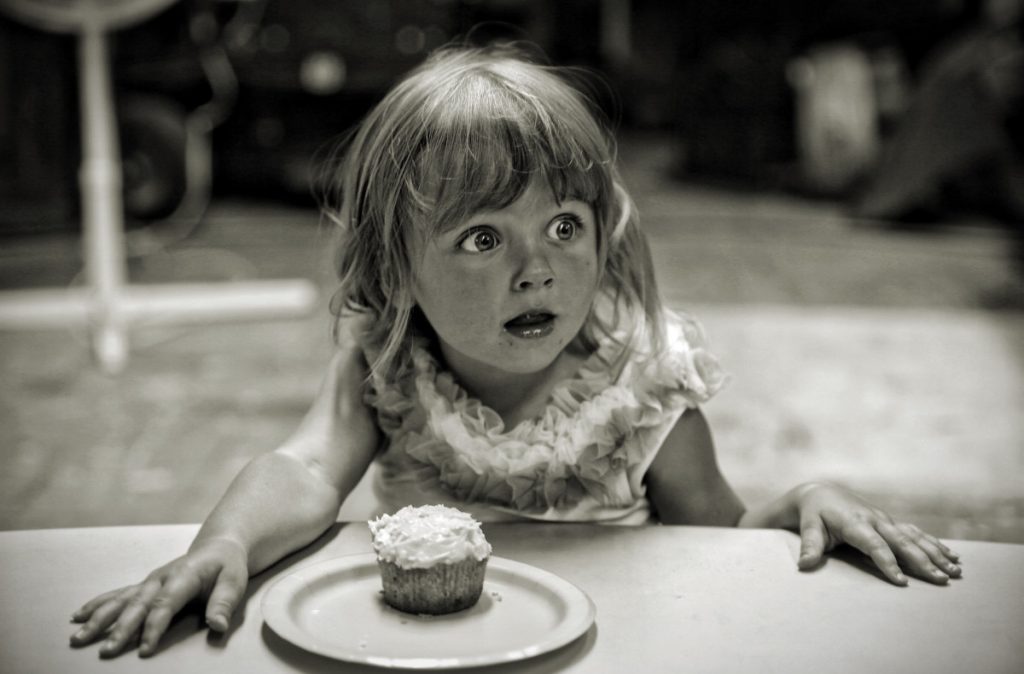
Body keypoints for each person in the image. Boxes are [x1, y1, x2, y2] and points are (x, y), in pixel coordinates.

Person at [69, 44, 962, 659]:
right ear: (395, 266)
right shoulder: (390, 367)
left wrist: (804, 501)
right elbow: (304, 469)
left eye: (563, 227)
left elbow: (717, 546)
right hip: (423, 655)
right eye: (482, 240)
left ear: (604, 234)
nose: (537, 271)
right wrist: (223, 542)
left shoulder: (641, 389)